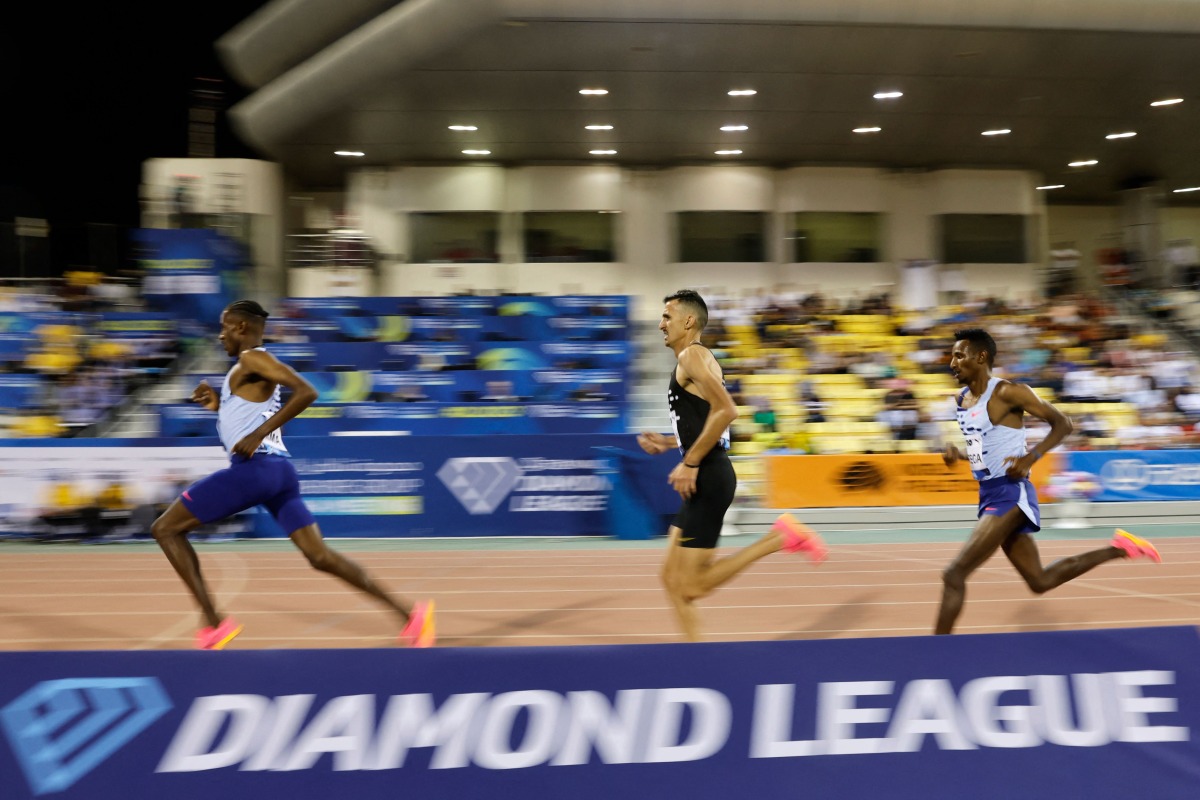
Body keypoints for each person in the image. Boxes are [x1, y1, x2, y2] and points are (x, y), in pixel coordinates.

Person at [151, 299, 435, 649]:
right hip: (279, 474)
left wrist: (257, 434)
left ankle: (214, 623)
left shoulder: (253, 357)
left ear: (241, 327)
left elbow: (307, 391)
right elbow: (248, 414)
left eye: (224, 328)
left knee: (165, 529)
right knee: (319, 557)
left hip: (255, 471)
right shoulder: (248, 367)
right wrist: (219, 406)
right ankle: (411, 616)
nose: (220, 336)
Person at [936, 327, 1161, 635]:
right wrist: (959, 455)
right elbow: (981, 451)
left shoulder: (1009, 392)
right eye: (952, 356)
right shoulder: (962, 401)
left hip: (1009, 493)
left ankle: (937, 653)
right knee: (1040, 581)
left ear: (981, 356)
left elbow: (1062, 423)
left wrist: (1032, 457)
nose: (952, 363)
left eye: (958, 355)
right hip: (989, 492)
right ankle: (1121, 548)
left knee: (954, 574)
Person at [637, 289, 826, 642]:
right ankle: (697, 654)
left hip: (708, 478)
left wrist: (690, 462)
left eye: (667, 317)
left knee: (692, 585)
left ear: (688, 321)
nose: (661, 324)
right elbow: (708, 419)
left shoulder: (692, 357)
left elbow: (727, 411)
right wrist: (668, 443)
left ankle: (778, 538)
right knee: (670, 579)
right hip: (705, 473)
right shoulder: (696, 359)